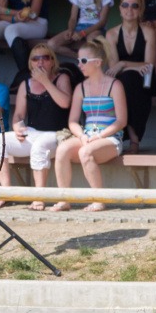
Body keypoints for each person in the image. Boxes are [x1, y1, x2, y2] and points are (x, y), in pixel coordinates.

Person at [0, 44, 72, 211]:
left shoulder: (61, 78)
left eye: (45, 58)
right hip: (33, 132)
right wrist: (18, 127)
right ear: (30, 63)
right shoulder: (25, 84)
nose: (40, 62)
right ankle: (5, 192)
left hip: (58, 133)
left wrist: (46, 82)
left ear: (52, 61)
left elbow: (65, 103)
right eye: (36, 58)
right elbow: (19, 115)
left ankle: (39, 196)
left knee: (40, 147)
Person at [51, 39, 128, 213]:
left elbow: (121, 121)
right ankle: (64, 199)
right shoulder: (80, 88)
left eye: (84, 61)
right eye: (78, 60)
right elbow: (72, 121)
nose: (79, 65)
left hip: (110, 138)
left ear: (98, 63)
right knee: (62, 149)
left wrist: (100, 136)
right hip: (88, 137)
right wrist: (82, 136)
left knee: (85, 152)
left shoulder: (114, 85)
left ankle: (98, 200)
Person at [104, 0, 156, 154]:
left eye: (134, 6)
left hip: (145, 79)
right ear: (119, 9)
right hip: (123, 80)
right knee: (126, 79)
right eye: (125, 5)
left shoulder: (148, 32)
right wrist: (130, 67)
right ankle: (132, 138)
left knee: (130, 79)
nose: (129, 9)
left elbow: (149, 64)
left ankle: (133, 138)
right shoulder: (111, 34)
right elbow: (113, 67)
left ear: (140, 10)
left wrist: (124, 63)